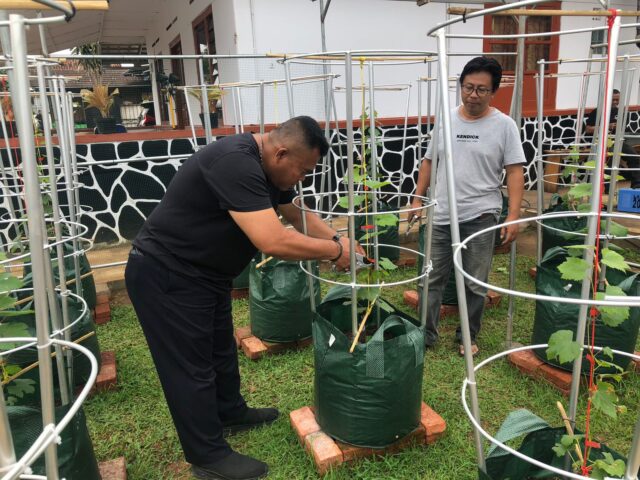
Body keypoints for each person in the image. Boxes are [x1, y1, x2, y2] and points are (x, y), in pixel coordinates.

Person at [125, 116, 362, 480]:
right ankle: (207, 456)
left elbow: (295, 214)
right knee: (191, 368)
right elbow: (273, 240)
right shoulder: (234, 163)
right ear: (281, 153)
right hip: (167, 274)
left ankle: (229, 412)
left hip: (205, 275)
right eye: (303, 170)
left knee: (219, 350)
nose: (303, 178)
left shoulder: (269, 166)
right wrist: (333, 251)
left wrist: (344, 243)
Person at [408, 56, 525, 357]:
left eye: (481, 90)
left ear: (493, 92)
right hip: (442, 212)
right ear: (460, 86)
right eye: (468, 87)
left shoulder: (504, 126)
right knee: (430, 277)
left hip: (481, 215)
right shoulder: (446, 120)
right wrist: (417, 197)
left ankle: (467, 335)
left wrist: (512, 216)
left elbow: (514, 171)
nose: (473, 95)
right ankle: (425, 335)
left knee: (474, 281)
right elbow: (429, 161)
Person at [584, 89, 640, 189]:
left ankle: (636, 184)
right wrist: (607, 126)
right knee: (609, 158)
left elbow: (623, 128)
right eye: (613, 99)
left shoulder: (621, 112)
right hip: (600, 141)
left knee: (634, 157)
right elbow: (588, 129)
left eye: (617, 100)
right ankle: (607, 189)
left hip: (617, 141)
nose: (615, 102)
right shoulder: (598, 111)